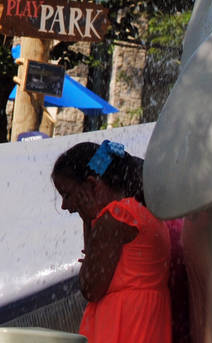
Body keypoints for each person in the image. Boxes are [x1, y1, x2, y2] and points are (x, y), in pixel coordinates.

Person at [52, 139, 172, 343]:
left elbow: (90, 287)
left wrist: (90, 219)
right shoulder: (142, 211)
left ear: (92, 184)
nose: (64, 205)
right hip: (145, 323)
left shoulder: (115, 218)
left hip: (125, 327)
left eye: (67, 194)